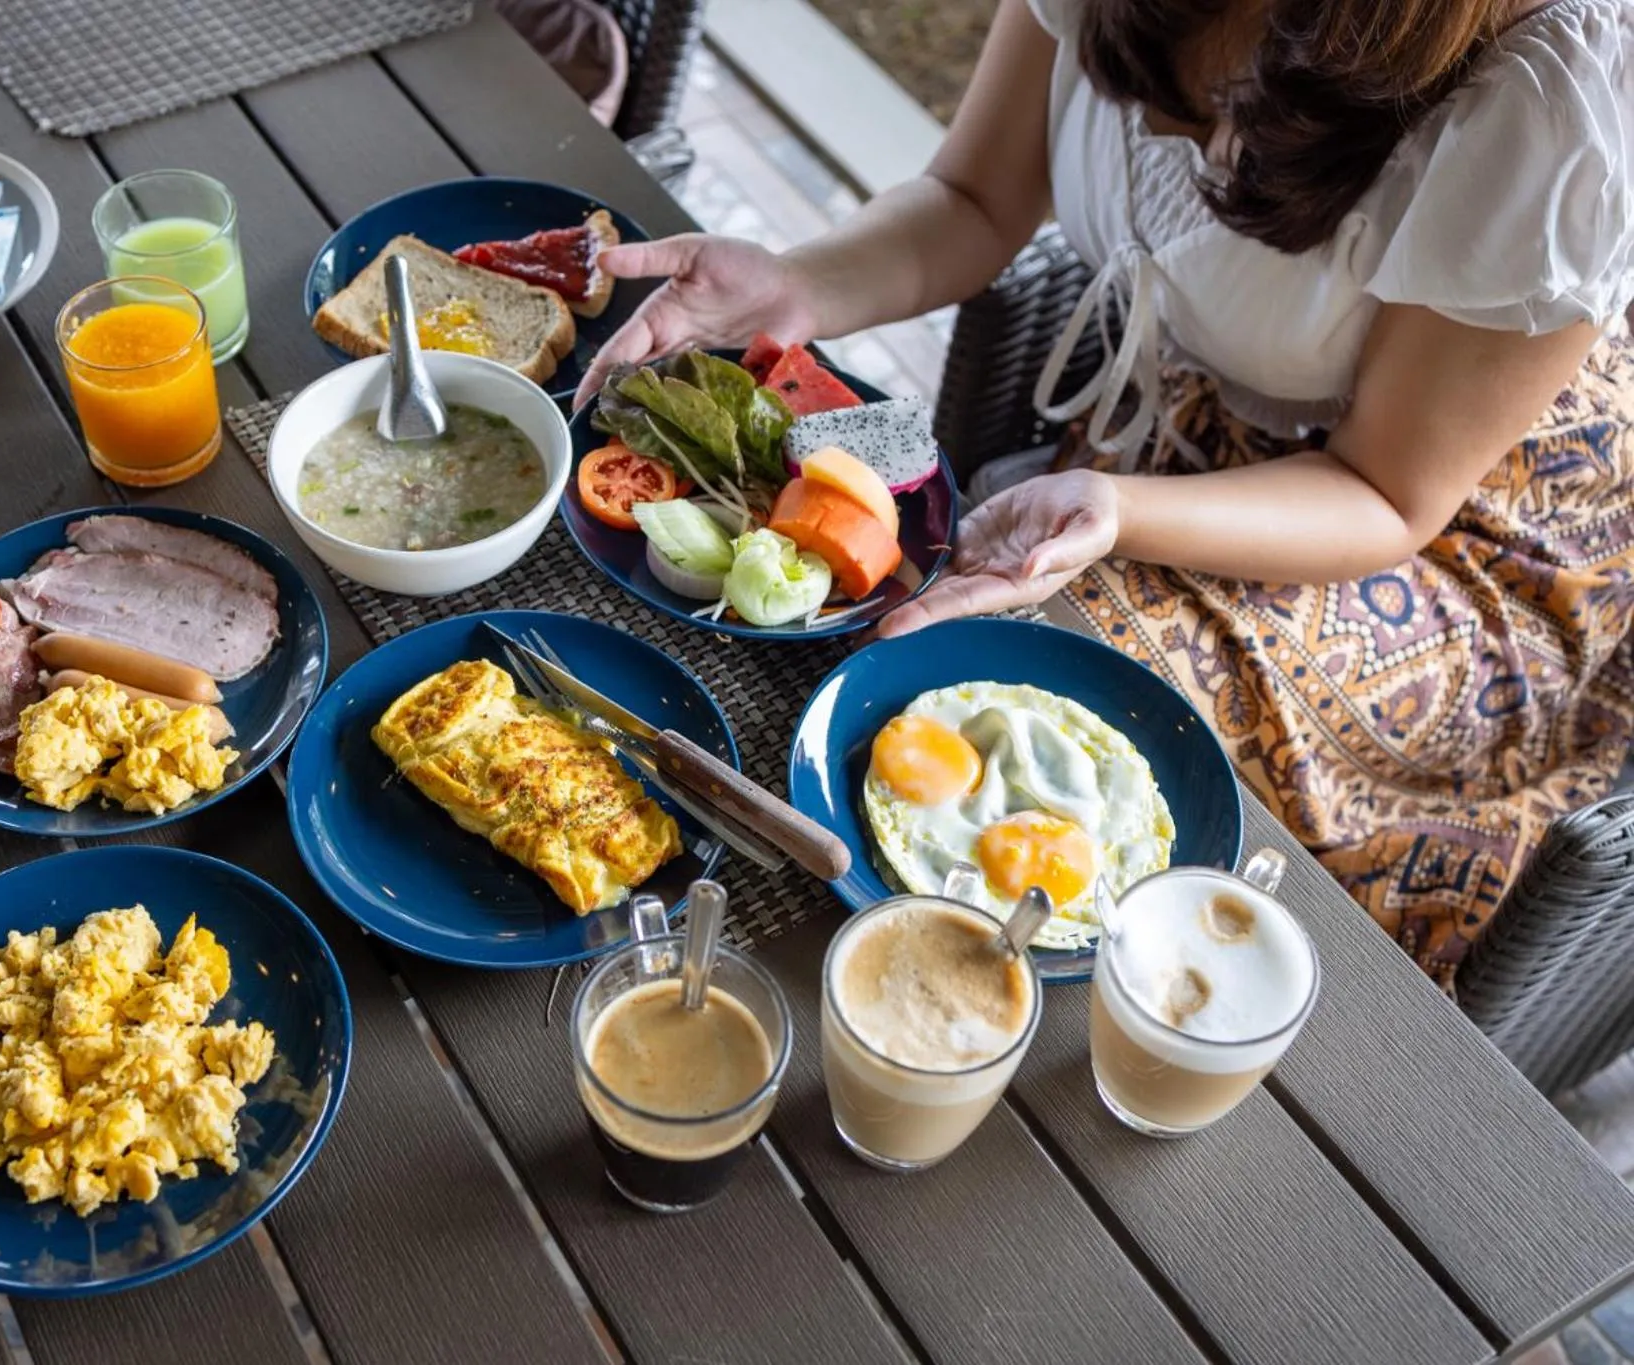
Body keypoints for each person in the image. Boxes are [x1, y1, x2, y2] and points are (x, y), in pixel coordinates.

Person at [578, 0, 1634, 987]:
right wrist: (796, 284)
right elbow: (975, 201)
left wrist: (1118, 508)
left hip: (1433, 528)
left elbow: (1387, 493)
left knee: (1056, 698)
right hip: (1181, 434)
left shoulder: (1548, 91)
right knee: (899, 654)